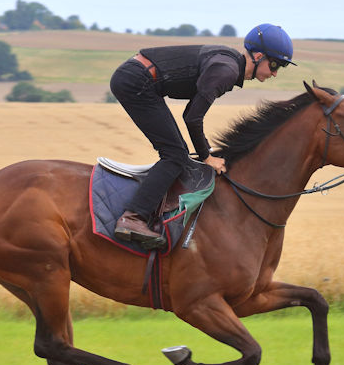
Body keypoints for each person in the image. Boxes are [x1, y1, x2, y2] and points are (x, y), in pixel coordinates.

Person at [111, 24, 297, 249]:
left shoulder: (229, 64)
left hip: (139, 78)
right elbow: (193, 118)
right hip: (136, 81)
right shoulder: (226, 71)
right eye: (275, 65)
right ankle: (133, 218)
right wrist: (207, 156)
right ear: (258, 56)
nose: (275, 73)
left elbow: (190, 113)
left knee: (179, 154)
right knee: (175, 156)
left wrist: (203, 152)